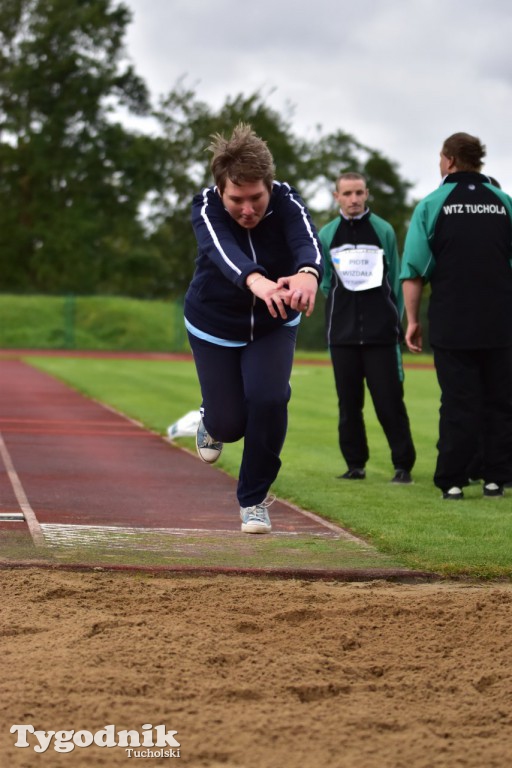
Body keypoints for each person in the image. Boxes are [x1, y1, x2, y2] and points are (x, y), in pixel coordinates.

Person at [185, 123, 323, 533]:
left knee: (269, 398)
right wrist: (256, 280)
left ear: (269, 185)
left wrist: (308, 274)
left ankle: (253, 500)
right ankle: (212, 420)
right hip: (213, 322)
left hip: (272, 324)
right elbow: (222, 253)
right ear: (221, 190)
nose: (248, 209)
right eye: (237, 200)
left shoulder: (286, 200)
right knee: (230, 424)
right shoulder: (206, 207)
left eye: (256, 198)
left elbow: (307, 242)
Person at [400, 132, 512, 500]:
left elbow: (414, 270)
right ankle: (496, 478)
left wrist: (412, 321)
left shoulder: (432, 204)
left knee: (458, 401)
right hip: (501, 321)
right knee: (500, 400)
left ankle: (452, 479)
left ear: (448, 160)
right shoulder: (504, 202)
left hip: (453, 321)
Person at [318, 172, 416, 484]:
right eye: (347, 193)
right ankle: (355, 465)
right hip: (342, 336)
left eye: (359, 192)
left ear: (367, 193)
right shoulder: (327, 234)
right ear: (337, 197)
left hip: (380, 336)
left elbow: (397, 279)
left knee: (389, 403)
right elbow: (324, 283)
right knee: (349, 405)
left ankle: (403, 466)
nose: (354, 199)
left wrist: (394, 321)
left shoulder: (383, 230)